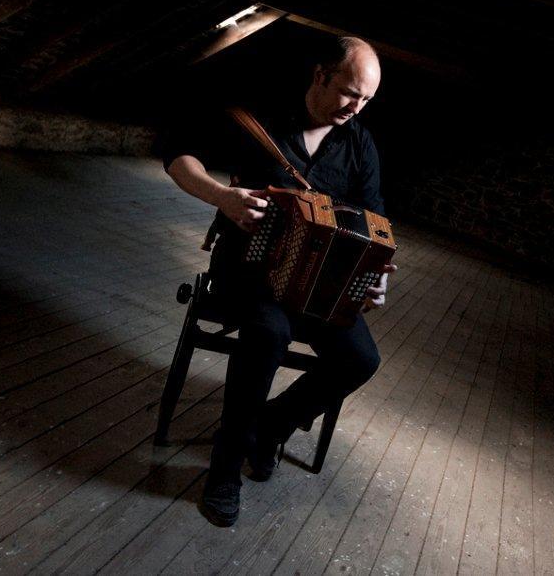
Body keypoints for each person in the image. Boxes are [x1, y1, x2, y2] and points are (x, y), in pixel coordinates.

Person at [164, 36, 396, 527]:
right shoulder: (259, 118)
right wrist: (221, 198)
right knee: (268, 332)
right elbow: (179, 157)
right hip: (247, 271)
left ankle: (268, 427)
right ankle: (224, 471)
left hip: (317, 290)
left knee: (361, 358)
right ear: (320, 76)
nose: (355, 108)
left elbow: (374, 225)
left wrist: (373, 276)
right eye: (350, 93)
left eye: (367, 101)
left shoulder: (360, 145)